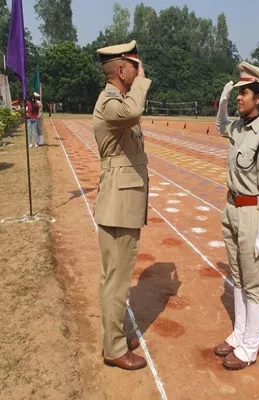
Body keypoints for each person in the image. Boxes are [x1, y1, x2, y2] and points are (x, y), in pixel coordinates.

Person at [214, 61, 259, 371]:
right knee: (238, 277)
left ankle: (252, 345)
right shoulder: (239, 127)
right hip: (231, 209)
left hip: (253, 211)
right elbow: (219, 125)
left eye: (244, 92)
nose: (240, 96)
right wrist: (223, 103)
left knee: (255, 281)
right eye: (238, 92)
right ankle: (239, 333)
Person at [93, 40, 151, 370]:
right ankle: (114, 348)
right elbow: (134, 111)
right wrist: (141, 80)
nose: (138, 71)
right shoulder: (111, 103)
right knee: (116, 278)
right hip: (119, 202)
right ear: (120, 70)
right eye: (134, 66)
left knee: (117, 276)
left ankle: (116, 334)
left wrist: (138, 80)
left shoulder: (116, 100)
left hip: (122, 200)